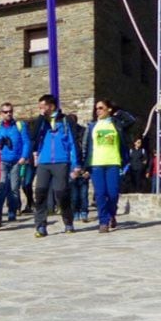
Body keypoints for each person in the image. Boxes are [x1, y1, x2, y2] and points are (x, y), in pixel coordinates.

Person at [30, 94, 81, 237]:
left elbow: (73, 142)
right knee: (40, 194)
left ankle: (68, 221)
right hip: (44, 162)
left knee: (61, 193)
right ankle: (40, 226)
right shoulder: (41, 122)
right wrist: (41, 117)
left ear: (51, 106)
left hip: (61, 161)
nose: (40, 108)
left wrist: (76, 165)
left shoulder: (65, 121)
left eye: (42, 106)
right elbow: (33, 136)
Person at [83, 99, 134, 233]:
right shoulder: (92, 126)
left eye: (101, 108)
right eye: (96, 109)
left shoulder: (116, 124)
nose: (97, 111)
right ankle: (103, 221)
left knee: (112, 193)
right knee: (100, 194)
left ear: (109, 109)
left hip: (113, 162)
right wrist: (84, 165)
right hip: (96, 164)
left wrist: (117, 112)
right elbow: (86, 146)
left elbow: (131, 120)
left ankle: (112, 214)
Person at [0, 102, 31, 223]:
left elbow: (26, 142)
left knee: (14, 188)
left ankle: (12, 212)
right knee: (2, 187)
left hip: (16, 161)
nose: (8, 114)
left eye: (10, 111)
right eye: (5, 112)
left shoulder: (20, 125)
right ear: (1, 113)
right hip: (2, 161)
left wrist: (24, 157)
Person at [66, 113, 90, 223]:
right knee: (74, 194)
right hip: (71, 167)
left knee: (83, 194)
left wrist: (87, 168)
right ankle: (75, 212)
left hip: (83, 166)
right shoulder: (66, 134)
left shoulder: (84, 132)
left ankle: (84, 212)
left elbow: (88, 151)